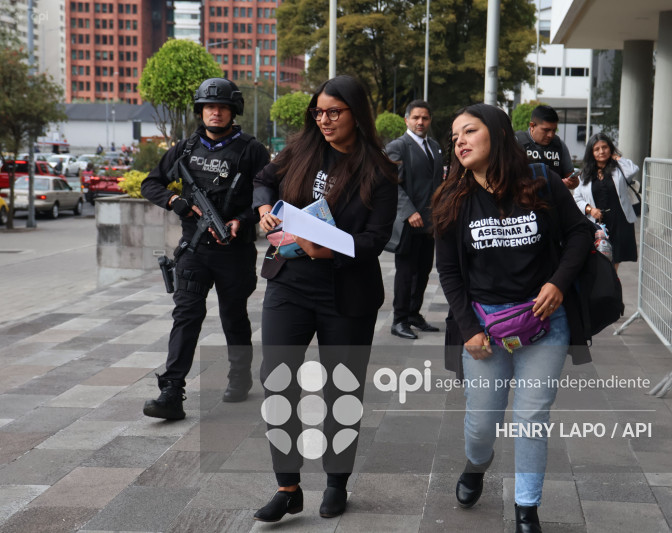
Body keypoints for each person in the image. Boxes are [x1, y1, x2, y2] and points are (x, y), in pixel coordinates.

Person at [433, 104, 592, 533]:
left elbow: (579, 232)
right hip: (485, 327)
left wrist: (558, 283)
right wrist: (468, 329)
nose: (459, 141)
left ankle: (526, 509)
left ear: (499, 134)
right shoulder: (452, 196)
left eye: (469, 131)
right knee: (482, 423)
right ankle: (476, 463)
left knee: (531, 417)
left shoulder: (541, 181)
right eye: (455, 136)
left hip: (545, 322)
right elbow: (448, 271)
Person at [252, 75, 397, 522]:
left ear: (357, 113)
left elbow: (375, 240)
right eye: (319, 112)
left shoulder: (380, 171)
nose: (324, 120)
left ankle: (336, 483)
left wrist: (328, 248)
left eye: (334, 112)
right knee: (276, 379)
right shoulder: (302, 149)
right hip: (289, 283)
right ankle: (288, 487)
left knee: (342, 388)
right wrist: (264, 209)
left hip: (347, 292)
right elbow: (263, 179)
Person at [139, 77, 270, 420]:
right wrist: (175, 201)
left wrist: (243, 219)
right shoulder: (185, 149)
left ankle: (239, 377)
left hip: (234, 251)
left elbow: (269, 193)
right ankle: (171, 392)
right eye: (209, 107)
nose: (215, 112)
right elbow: (150, 183)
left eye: (222, 107)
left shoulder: (251, 150)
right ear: (201, 110)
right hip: (194, 251)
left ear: (233, 111)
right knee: (186, 316)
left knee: (233, 315)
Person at [385, 100, 444, 340]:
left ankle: (413, 314)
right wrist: (409, 211)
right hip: (408, 223)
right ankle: (399, 320)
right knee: (406, 273)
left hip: (430, 223)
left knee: (423, 271)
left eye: (425, 118)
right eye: (416, 117)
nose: (420, 122)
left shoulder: (435, 146)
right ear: (406, 120)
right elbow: (390, 184)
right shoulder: (397, 147)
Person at [572, 132, 639, 271]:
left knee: (614, 261)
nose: (601, 151)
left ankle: (612, 284)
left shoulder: (618, 168)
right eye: (597, 149)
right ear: (591, 153)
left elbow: (633, 169)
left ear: (610, 148)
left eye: (605, 147)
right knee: (597, 260)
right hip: (597, 223)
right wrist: (590, 209)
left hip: (619, 221)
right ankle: (606, 283)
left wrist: (617, 157)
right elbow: (577, 198)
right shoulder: (584, 174)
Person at [514, 104, 578, 190]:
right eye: (546, 130)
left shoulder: (559, 145)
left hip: (552, 197)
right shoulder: (515, 143)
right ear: (532, 126)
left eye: (554, 130)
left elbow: (573, 181)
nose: (550, 135)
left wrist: (571, 182)